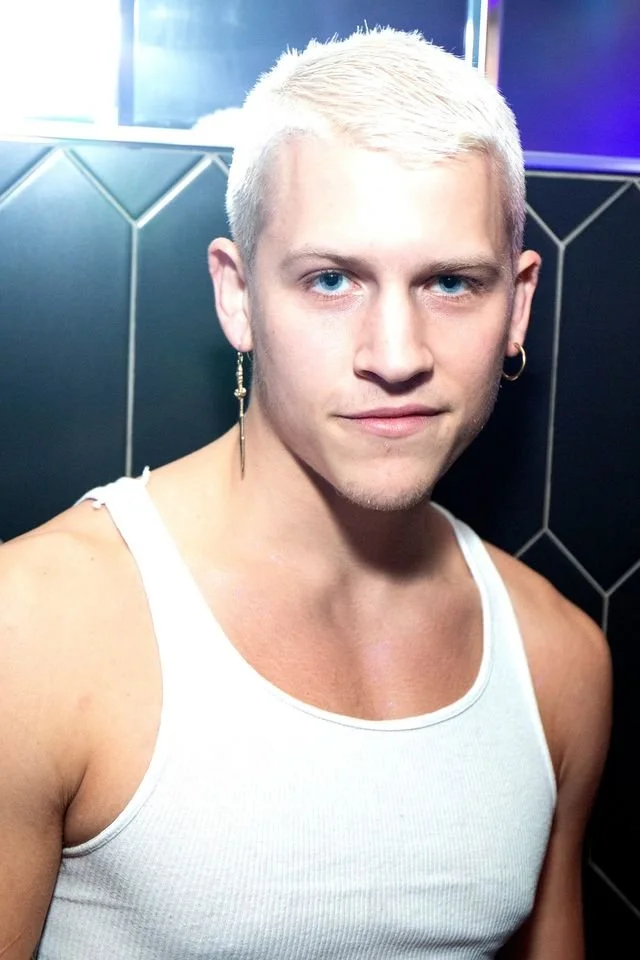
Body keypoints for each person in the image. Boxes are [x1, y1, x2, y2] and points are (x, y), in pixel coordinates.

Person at [0, 27, 611, 960]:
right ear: (238, 295)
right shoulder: (38, 629)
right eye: (331, 280)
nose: (396, 356)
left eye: (452, 283)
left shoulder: (557, 660)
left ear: (518, 304)